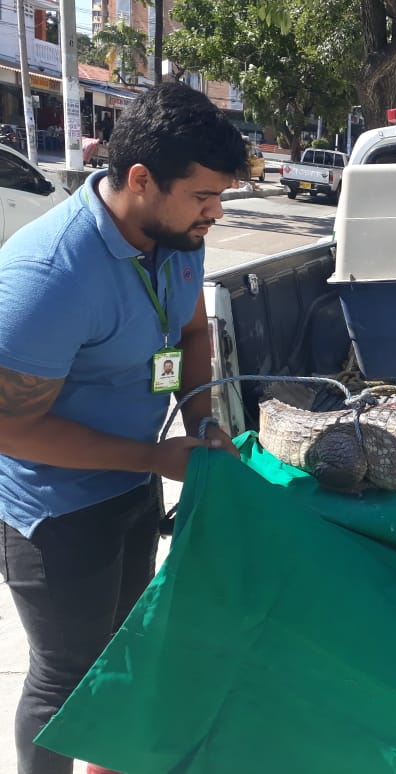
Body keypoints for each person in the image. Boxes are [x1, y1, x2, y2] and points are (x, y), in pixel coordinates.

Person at [0, 82, 248, 774]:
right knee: (65, 677)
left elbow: (194, 329)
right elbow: (10, 429)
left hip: (135, 481)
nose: (216, 213)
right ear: (140, 180)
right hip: (55, 511)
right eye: (203, 197)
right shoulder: (48, 274)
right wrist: (153, 455)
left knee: (123, 651)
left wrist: (200, 424)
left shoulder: (177, 236)